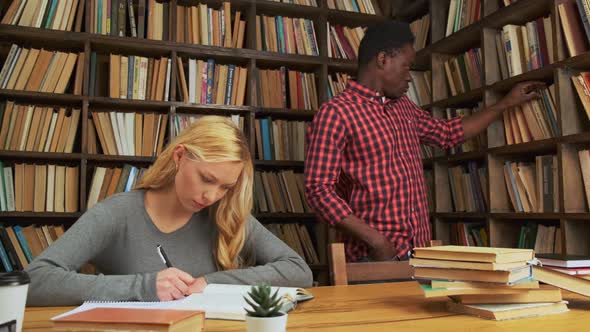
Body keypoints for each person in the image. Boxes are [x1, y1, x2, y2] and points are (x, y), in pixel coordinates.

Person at [305, 20, 544, 263]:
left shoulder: (404, 107)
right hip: (373, 258)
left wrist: (505, 104)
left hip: (418, 256)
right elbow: (318, 190)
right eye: (406, 66)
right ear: (383, 59)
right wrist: (376, 240)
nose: (410, 77)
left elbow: (447, 134)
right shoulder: (335, 113)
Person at [26, 116, 313, 306]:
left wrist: (209, 284)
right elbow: (35, 281)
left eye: (225, 187)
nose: (211, 196)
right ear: (179, 157)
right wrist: (144, 287)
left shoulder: (224, 213)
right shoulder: (116, 214)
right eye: (206, 179)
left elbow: (298, 271)